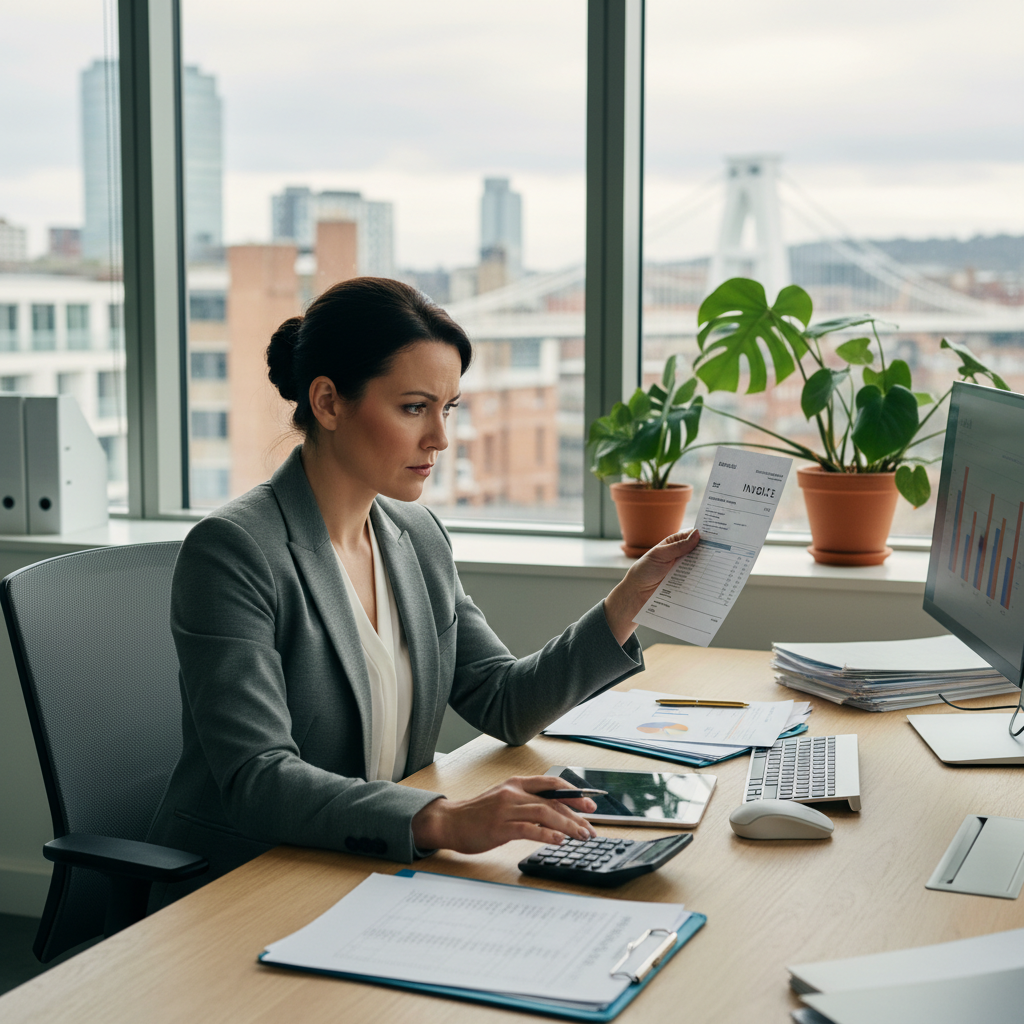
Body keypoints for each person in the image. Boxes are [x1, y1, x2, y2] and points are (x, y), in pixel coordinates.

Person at [147, 277, 698, 904]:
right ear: (327, 402)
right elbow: (258, 779)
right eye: (414, 407)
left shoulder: (416, 535)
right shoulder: (235, 550)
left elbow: (503, 701)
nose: (439, 437)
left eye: (449, 407)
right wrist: (441, 818)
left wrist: (628, 600)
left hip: (374, 869)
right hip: (252, 881)